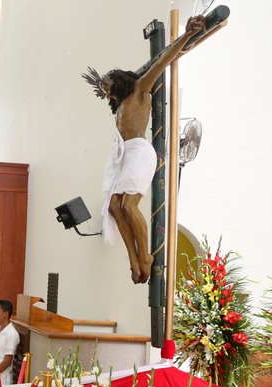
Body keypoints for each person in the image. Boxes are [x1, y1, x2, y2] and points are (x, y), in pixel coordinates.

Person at [84, 15, 205, 284]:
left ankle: (145, 256)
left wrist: (186, 35)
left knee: (129, 204)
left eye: (107, 86)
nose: (106, 93)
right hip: (125, 156)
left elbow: (162, 61)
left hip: (140, 152)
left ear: (117, 80)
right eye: (104, 91)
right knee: (115, 207)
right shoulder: (120, 105)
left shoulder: (140, 89)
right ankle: (133, 259)